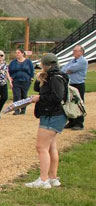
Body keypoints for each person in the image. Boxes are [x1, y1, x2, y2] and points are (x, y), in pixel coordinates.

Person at [25, 52, 68, 188]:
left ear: (45, 65)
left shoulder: (55, 78)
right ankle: (52, 177)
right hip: (53, 114)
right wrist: (40, 78)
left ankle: (43, 180)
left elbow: (56, 97)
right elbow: (39, 88)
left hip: (52, 115)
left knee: (41, 147)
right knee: (51, 147)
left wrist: (40, 98)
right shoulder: (52, 76)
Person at [63, 44, 88, 129]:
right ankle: (71, 121)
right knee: (69, 102)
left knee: (78, 103)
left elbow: (71, 69)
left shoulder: (83, 61)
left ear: (81, 52)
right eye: (73, 50)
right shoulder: (72, 60)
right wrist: (68, 70)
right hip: (70, 84)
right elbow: (64, 69)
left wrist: (69, 70)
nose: (73, 52)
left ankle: (79, 123)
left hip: (78, 85)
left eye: (75, 51)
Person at [8, 48, 35, 115]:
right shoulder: (13, 62)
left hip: (25, 81)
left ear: (22, 54)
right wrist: (10, 79)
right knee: (16, 95)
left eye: (18, 53)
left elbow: (32, 71)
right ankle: (16, 110)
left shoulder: (28, 62)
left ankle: (23, 109)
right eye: (16, 53)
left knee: (24, 95)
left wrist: (31, 78)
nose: (17, 54)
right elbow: (9, 71)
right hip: (16, 81)